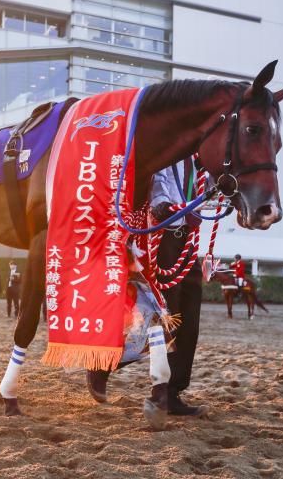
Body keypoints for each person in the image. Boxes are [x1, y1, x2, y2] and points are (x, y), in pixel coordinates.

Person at [87, 158, 205, 417]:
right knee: (161, 316)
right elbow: (156, 176)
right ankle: (104, 365)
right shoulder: (170, 139)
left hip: (187, 237)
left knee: (189, 318)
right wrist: (161, 202)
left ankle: (173, 391)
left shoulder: (198, 156)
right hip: (159, 233)